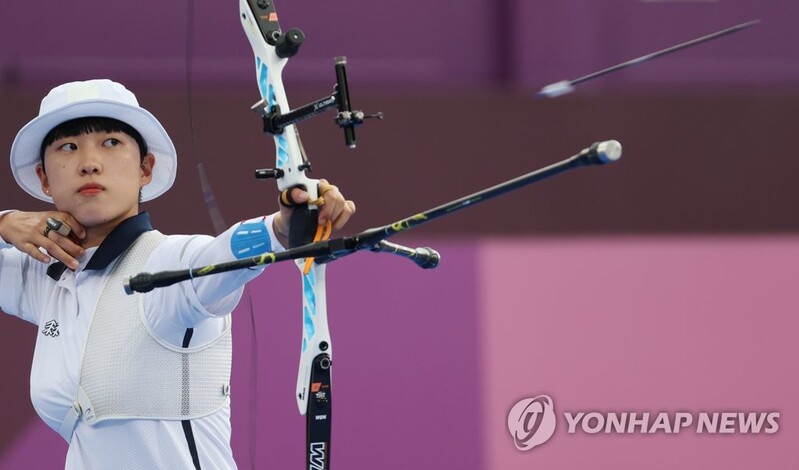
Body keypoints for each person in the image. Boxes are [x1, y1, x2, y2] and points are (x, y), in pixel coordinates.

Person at [0, 79, 355, 468]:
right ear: (45, 178)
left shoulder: (166, 261)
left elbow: (221, 252)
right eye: (68, 147)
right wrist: (6, 222)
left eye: (111, 143)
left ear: (145, 168)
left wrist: (282, 227)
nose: (89, 161)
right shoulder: (47, 274)